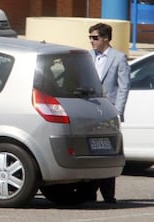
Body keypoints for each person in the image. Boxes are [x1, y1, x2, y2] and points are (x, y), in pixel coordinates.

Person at [88, 22, 130, 204]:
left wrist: (118, 111)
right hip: (87, 111)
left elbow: (124, 86)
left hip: (108, 111)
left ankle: (108, 195)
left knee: (107, 150)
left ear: (106, 38)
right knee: (89, 151)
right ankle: (88, 192)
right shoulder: (87, 56)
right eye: (90, 37)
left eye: (95, 37)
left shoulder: (119, 58)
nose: (91, 41)